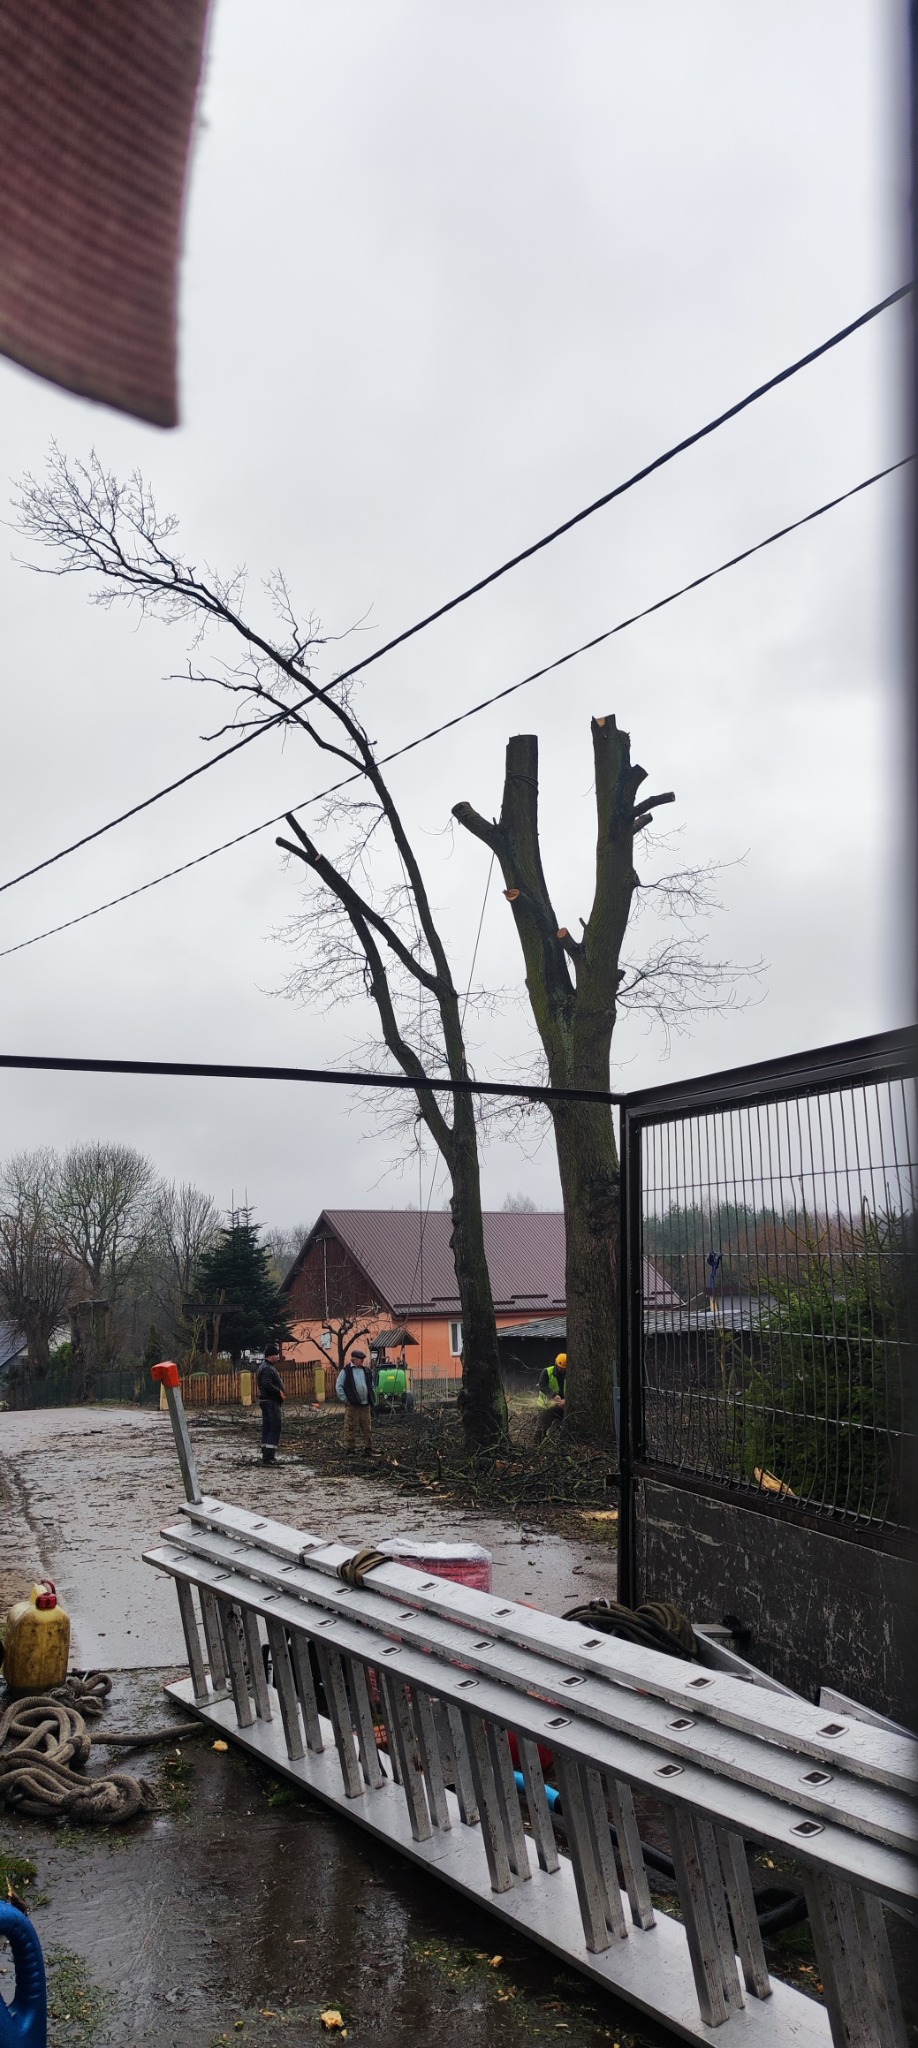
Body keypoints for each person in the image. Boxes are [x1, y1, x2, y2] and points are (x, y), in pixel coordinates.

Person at [335, 1345, 375, 1456]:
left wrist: (371, 1397)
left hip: (365, 1404)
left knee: (367, 1427)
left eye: (363, 1360)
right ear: (354, 1359)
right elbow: (339, 1386)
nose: (362, 1361)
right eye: (360, 1360)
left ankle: (368, 1449)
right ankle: (350, 1450)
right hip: (352, 1405)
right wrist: (345, 1400)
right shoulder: (346, 1371)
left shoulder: (366, 1371)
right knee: (350, 1427)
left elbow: (371, 1386)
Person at [256, 1343, 285, 1465]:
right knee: (274, 1427)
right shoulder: (268, 1368)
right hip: (271, 1401)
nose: (278, 1357)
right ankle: (269, 1457)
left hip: (266, 1401)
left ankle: (266, 1451)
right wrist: (279, 1391)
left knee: (267, 1427)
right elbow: (266, 1384)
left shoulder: (263, 1366)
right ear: (270, 1356)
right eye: (276, 1355)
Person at [536, 1351, 567, 1438]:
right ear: (556, 1363)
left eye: (564, 1368)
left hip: (563, 1406)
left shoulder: (571, 1375)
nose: (563, 1370)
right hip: (546, 1406)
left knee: (564, 1427)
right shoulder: (547, 1372)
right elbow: (542, 1386)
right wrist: (553, 1395)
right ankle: (536, 1445)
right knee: (541, 1428)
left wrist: (566, 1400)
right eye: (561, 1368)